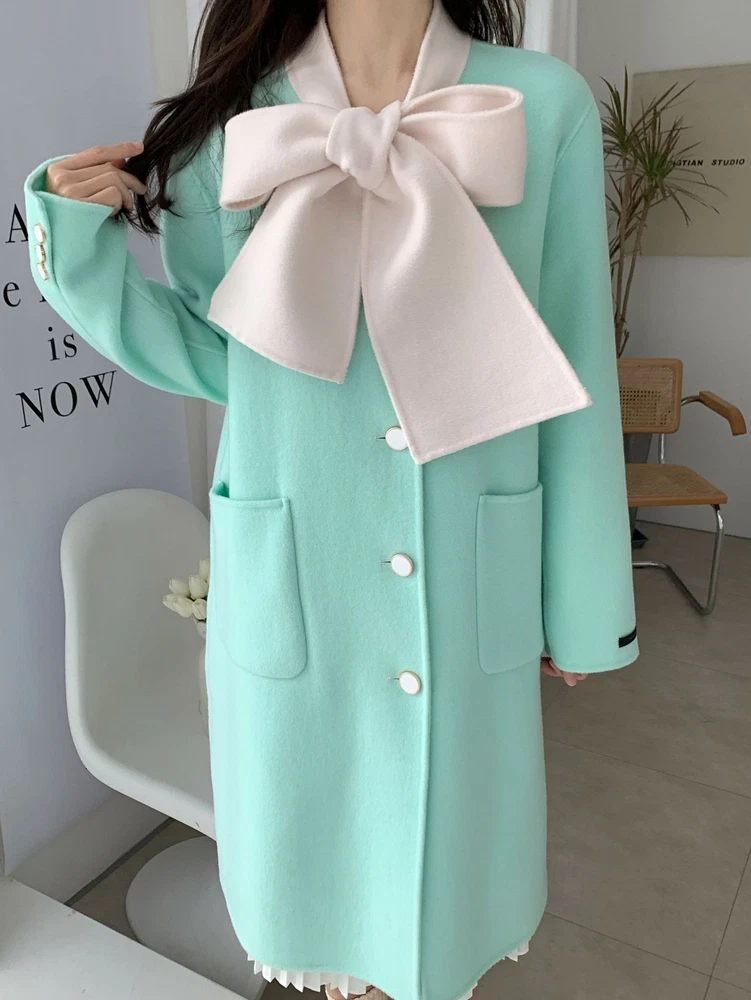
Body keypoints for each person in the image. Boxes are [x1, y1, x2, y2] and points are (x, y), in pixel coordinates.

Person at [23, 2, 639, 999]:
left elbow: (572, 357)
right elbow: (217, 354)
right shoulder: (232, 130)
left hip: (464, 576)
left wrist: (581, 603)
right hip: (298, 575)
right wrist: (77, 253)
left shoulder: (537, 104)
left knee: (447, 899)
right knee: (313, 899)